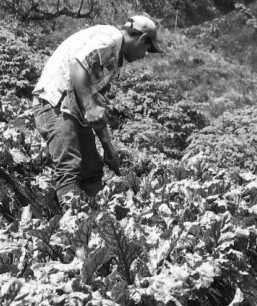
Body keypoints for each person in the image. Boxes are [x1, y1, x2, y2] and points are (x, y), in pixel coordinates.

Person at [32, 15, 164, 207]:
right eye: (147, 49)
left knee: (92, 170)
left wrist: (109, 148)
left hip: (71, 109)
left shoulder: (114, 58)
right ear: (142, 39)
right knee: (70, 167)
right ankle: (71, 226)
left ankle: (94, 221)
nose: (144, 55)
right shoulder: (110, 39)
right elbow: (78, 64)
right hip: (54, 103)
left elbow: (96, 106)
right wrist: (90, 106)